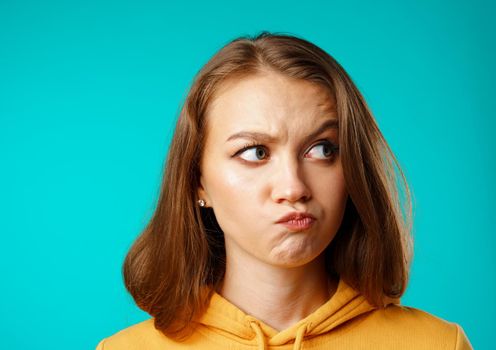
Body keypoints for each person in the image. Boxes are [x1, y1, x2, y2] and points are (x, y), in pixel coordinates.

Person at [96, 31, 472, 349]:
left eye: (322, 149)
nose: (293, 187)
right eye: (255, 153)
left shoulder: (437, 343)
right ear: (198, 181)